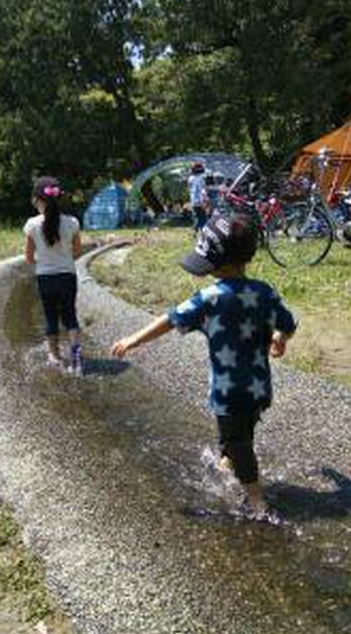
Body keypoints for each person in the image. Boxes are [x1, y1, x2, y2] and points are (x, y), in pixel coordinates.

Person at [111, 213, 297, 518]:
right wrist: (280, 337)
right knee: (241, 431)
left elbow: (169, 320)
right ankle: (228, 465)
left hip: (228, 392)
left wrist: (133, 340)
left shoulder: (209, 298)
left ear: (217, 262)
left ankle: (257, 501)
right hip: (259, 388)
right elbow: (288, 323)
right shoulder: (264, 292)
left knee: (237, 441)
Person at [24, 176, 83, 375]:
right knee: (70, 315)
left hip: (45, 277)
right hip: (68, 276)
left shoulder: (32, 225)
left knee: (50, 317)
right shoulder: (72, 222)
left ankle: (54, 356)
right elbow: (77, 253)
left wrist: (44, 260)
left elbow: (29, 258)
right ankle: (76, 357)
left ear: (39, 200)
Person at [187, 161, 208, 233]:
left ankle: (195, 231)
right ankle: (203, 231)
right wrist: (205, 200)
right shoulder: (201, 178)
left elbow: (190, 189)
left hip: (193, 200)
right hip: (200, 200)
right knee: (203, 217)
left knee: (197, 216)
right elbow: (203, 190)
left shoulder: (190, 178)